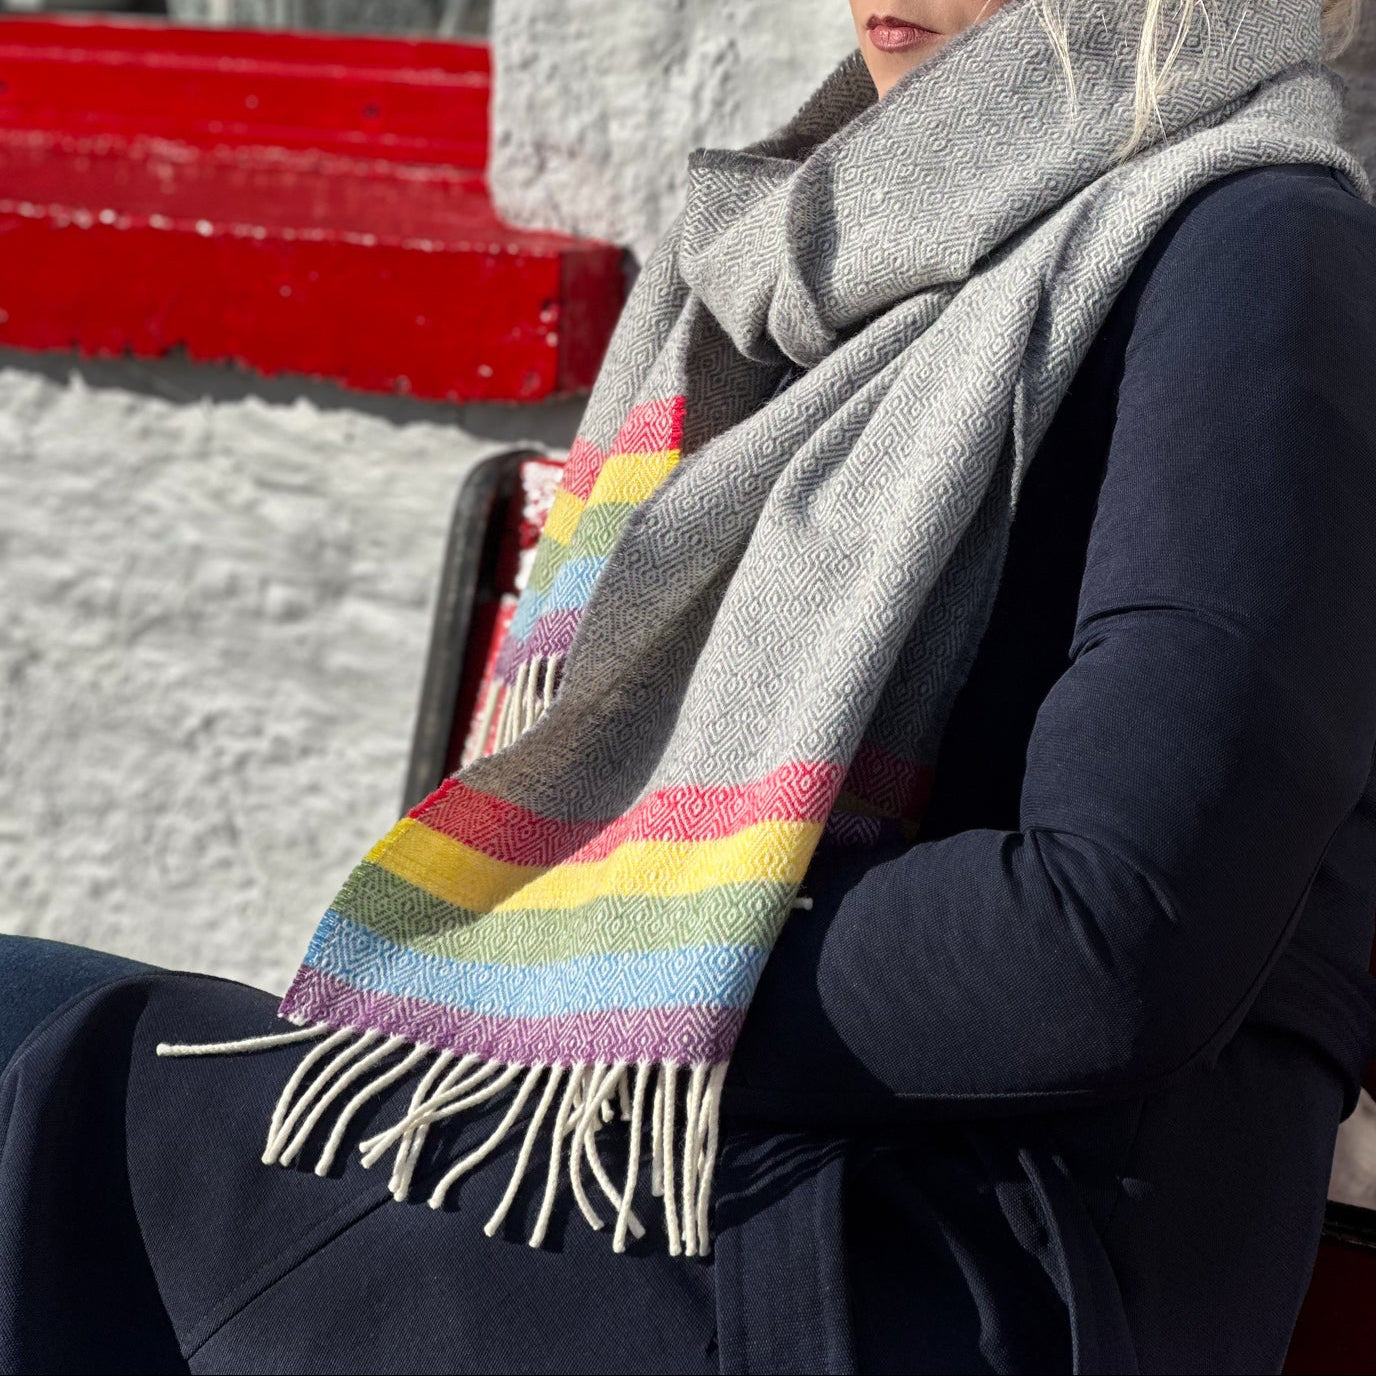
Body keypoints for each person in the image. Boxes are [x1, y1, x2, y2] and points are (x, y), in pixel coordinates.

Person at [4, 2, 1376, 1372]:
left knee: (45, 1088)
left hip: (944, 1265)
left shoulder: (1263, 250)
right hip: (712, 1165)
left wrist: (574, 973)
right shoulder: (832, 238)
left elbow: (1108, 937)